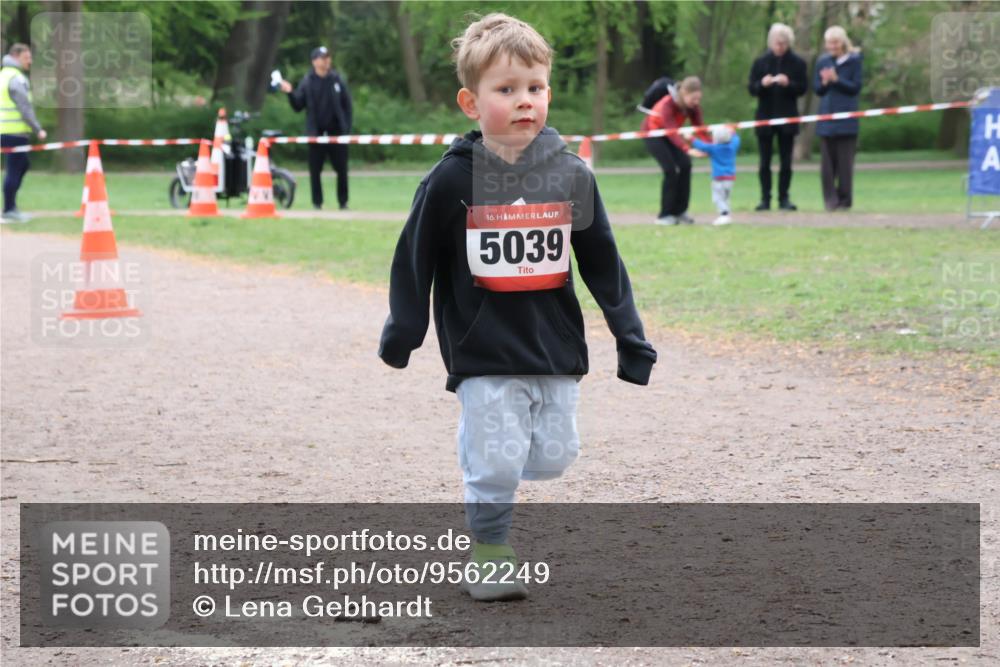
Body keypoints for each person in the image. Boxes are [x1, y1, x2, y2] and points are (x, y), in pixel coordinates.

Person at [377, 13, 656, 602]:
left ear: (548, 92)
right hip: (482, 349)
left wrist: (630, 337)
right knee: (499, 461)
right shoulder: (452, 179)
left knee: (555, 458)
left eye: (534, 88)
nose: (524, 101)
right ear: (470, 102)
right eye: (506, 90)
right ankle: (490, 553)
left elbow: (603, 261)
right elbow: (414, 258)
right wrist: (405, 331)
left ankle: (486, 455)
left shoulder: (572, 176)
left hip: (553, 346)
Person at [280, 46, 352, 210]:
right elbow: (298, 105)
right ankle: (317, 203)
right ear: (314, 61)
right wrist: (290, 92)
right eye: (322, 58)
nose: (326, 60)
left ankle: (343, 202)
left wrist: (346, 128)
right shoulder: (307, 81)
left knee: (342, 169)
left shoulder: (336, 80)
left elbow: (347, 106)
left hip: (337, 133)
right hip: (316, 134)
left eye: (328, 57)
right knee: (315, 170)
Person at [748, 23, 808, 211]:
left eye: (783, 43)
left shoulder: (798, 63)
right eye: (776, 43)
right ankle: (765, 198)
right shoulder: (760, 62)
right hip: (765, 117)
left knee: (786, 161)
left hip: (787, 117)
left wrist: (788, 83)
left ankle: (784, 198)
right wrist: (762, 84)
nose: (779, 47)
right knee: (764, 161)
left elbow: (802, 88)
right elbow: (751, 88)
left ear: (788, 43)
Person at [642, 76, 710, 225]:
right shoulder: (667, 104)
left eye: (698, 99)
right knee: (671, 169)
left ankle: (680, 211)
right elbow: (672, 131)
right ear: (684, 92)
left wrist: (710, 147)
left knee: (686, 165)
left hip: (670, 134)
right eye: (693, 99)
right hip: (654, 133)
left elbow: (700, 128)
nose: (696, 102)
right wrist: (688, 149)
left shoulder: (693, 107)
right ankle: (664, 215)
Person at [815, 26, 863, 211]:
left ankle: (845, 200)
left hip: (847, 120)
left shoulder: (854, 61)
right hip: (827, 119)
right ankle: (830, 200)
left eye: (835, 42)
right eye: (829, 43)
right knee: (827, 165)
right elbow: (818, 89)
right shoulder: (822, 62)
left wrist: (837, 79)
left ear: (842, 42)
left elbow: (855, 87)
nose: (832, 46)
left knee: (845, 164)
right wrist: (825, 82)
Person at [1, 43, 46, 224]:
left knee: (21, 165)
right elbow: (24, 107)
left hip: (5, 130)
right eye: (27, 58)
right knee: (15, 168)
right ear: (16, 56)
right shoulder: (16, 78)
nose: (30, 61)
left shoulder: (3, 75)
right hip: (14, 132)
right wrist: (38, 128)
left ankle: (10, 207)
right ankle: (9, 209)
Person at [693, 125, 741, 226]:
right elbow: (737, 139)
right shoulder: (733, 146)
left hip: (718, 178)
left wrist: (691, 138)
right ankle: (726, 215)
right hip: (730, 178)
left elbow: (701, 146)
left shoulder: (714, 148)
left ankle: (724, 215)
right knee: (726, 197)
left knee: (717, 198)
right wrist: (733, 132)